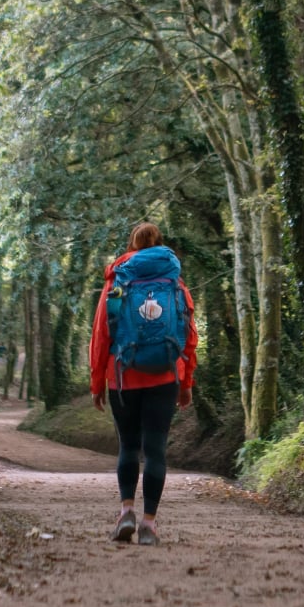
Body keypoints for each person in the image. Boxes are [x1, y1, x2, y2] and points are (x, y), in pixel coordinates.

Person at [89, 221, 197, 545]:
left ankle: (126, 513)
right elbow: (189, 337)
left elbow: (101, 335)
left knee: (129, 447)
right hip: (165, 375)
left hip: (123, 376)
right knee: (155, 449)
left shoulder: (117, 282)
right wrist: (186, 381)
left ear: (132, 246)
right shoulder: (176, 284)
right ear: (160, 244)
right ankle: (149, 524)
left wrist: (97, 383)